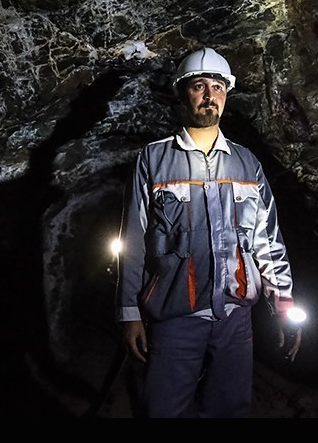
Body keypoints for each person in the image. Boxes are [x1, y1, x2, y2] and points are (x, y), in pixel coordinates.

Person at [115, 46, 301, 418]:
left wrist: (283, 304)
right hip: (175, 316)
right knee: (163, 410)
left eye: (217, 86)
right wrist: (129, 312)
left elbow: (267, 240)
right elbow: (134, 240)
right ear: (182, 94)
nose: (209, 94)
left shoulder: (247, 162)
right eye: (199, 86)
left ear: (226, 94)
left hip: (235, 319)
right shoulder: (153, 159)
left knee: (230, 409)